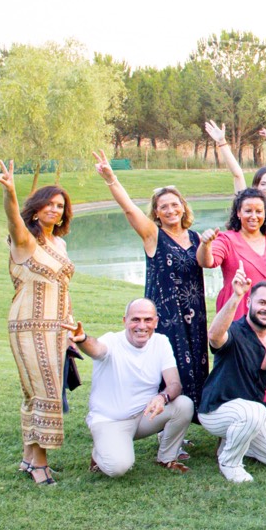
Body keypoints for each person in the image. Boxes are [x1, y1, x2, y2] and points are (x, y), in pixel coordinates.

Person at [91, 152, 209, 414]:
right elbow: (129, 209)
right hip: (166, 316)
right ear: (156, 212)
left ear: (183, 206)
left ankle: (186, 418)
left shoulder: (195, 237)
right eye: (163, 206)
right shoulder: (153, 235)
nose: (170, 210)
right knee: (169, 367)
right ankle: (163, 423)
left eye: (174, 204)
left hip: (195, 315)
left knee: (196, 365)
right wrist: (111, 179)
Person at [0, 161, 74, 486]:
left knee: (35, 391)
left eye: (61, 206)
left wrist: (69, 325)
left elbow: (64, 287)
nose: (55, 210)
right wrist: (10, 191)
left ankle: (29, 458)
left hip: (56, 326)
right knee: (43, 391)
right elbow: (13, 218)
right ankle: (41, 464)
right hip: (29, 324)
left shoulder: (60, 244)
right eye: (50, 204)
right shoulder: (25, 240)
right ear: (36, 208)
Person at [198, 271, 266, 483]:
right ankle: (229, 462)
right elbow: (215, 336)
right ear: (249, 302)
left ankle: (237, 441)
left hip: (250, 415)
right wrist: (235, 296)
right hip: (216, 410)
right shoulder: (234, 331)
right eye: (262, 302)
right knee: (254, 411)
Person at [70, 299, 192, 476]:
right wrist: (82, 339)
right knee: (118, 467)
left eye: (148, 320)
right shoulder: (111, 341)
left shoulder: (161, 342)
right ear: (125, 321)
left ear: (156, 322)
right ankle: (100, 451)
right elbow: (96, 350)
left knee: (184, 404)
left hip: (144, 416)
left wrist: (161, 397)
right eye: (135, 319)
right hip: (111, 420)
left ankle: (166, 458)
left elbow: (174, 384)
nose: (142, 326)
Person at [197, 189, 266, 371]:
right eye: (248, 211)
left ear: (265, 213)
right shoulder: (227, 239)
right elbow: (207, 261)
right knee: (239, 367)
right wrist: (205, 244)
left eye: (259, 211)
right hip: (239, 312)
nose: (253, 216)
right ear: (238, 213)